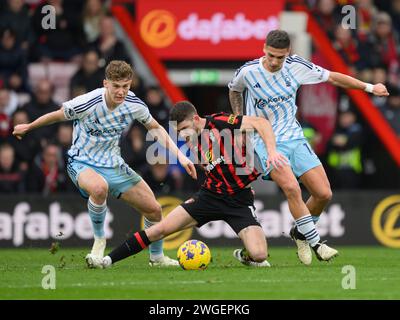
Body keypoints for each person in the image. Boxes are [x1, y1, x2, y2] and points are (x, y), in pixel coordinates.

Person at [94, 101, 336, 269]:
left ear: (196, 120)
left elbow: (262, 124)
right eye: (179, 133)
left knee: (260, 255)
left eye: (184, 130)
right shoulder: (193, 144)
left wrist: (270, 152)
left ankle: (245, 255)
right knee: (159, 229)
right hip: (209, 197)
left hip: (239, 201)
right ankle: (107, 260)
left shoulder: (222, 122)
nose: (183, 136)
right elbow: (217, 167)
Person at [13, 60, 197, 268]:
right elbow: (56, 116)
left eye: (125, 86)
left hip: (114, 165)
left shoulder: (134, 104)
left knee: (154, 210)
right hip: (81, 162)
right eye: (116, 86)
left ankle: (157, 258)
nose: (121, 92)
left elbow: (156, 128)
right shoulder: (88, 102)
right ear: (106, 84)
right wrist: (28, 126)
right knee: (99, 188)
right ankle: (99, 240)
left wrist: (181, 156)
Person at [228, 29, 388, 265]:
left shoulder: (296, 66)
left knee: (323, 194)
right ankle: (317, 244)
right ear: (264, 49)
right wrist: (241, 121)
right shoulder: (248, 71)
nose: (274, 61)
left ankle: (300, 232)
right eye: (271, 55)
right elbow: (234, 90)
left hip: (294, 137)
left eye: (280, 57)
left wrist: (369, 87)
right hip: (265, 140)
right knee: (292, 188)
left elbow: (333, 77)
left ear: (288, 53)